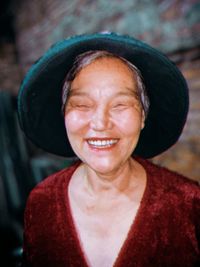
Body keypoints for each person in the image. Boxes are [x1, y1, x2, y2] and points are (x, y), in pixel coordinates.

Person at [17, 32, 200, 267]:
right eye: (82, 104)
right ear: (63, 115)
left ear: (143, 116)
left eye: (121, 104)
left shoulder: (188, 204)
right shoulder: (41, 203)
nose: (100, 123)